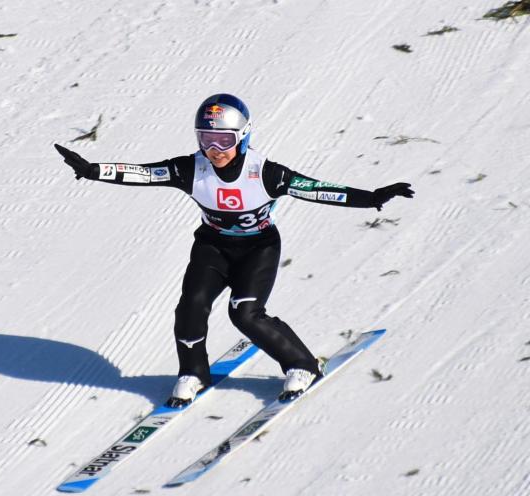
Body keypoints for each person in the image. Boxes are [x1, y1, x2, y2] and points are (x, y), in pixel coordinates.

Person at [54, 93, 414, 407]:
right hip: (212, 247)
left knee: (245, 314)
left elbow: (316, 189)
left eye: (224, 140)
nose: (215, 150)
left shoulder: (265, 173)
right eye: (206, 139)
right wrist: (92, 170)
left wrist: (371, 197)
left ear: (243, 136)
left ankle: (302, 365)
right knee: (190, 307)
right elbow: (145, 173)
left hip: (259, 248)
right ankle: (193, 373)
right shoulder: (191, 168)